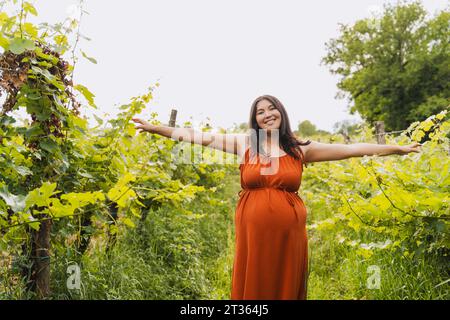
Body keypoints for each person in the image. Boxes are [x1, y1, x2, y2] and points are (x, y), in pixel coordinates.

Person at [132, 94, 422, 300]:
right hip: (252, 228)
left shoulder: (300, 148)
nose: (267, 114)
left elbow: (352, 149)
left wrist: (398, 149)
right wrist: (156, 128)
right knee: (256, 279)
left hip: (289, 231)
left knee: (284, 280)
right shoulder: (247, 144)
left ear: (281, 113)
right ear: (255, 119)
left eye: (272, 109)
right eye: (261, 111)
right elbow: (200, 137)